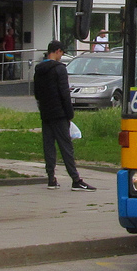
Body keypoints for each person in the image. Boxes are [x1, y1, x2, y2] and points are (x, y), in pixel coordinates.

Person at [33, 40, 97, 191]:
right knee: (66, 146)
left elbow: (36, 92)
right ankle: (75, 179)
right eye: (61, 53)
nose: (61, 56)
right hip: (59, 113)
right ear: (57, 51)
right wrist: (70, 113)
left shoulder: (39, 69)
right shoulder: (59, 69)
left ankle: (51, 178)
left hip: (46, 112)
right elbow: (64, 93)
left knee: (49, 146)